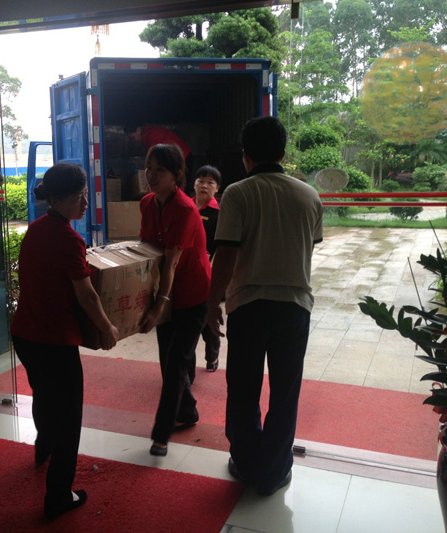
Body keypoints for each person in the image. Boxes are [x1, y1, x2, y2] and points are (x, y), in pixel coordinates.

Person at [207, 116, 323, 496]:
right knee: (285, 392)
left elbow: (226, 255)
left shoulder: (237, 194)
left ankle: (245, 461)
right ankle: (273, 472)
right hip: (294, 307)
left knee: (243, 389)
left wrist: (212, 303)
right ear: (283, 153)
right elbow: (309, 245)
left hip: (248, 307)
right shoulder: (309, 195)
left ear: (245, 156)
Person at [10, 163, 119, 519]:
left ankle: (43, 446)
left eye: (86, 195)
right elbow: (87, 295)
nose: (85, 203)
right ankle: (58, 496)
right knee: (69, 418)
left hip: (25, 335)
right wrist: (107, 328)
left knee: (44, 395)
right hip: (53, 341)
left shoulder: (36, 229)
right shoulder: (70, 239)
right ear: (55, 200)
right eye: (77, 198)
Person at [138, 144, 211, 457]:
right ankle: (188, 411)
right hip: (167, 293)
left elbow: (170, 263)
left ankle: (161, 434)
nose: (151, 175)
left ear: (177, 175)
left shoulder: (185, 209)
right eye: (149, 168)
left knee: (177, 362)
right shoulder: (147, 203)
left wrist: (158, 305)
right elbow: (146, 249)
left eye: (160, 170)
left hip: (193, 294)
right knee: (168, 361)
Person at [192, 165, 222, 373]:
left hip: (207, 274)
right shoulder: (185, 206)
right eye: (201, 181)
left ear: (217, 188)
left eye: (210, 183)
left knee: (207, 319)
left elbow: (221, 249)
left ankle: (212, 355)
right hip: (185, 272)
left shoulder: (218, 214)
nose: (204, 186)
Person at [124, 121, 193, 179]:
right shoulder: (148, 134)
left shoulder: (152, 135)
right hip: (178, 158)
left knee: (180, 187)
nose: (133, 141)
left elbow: (155, 159)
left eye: (133, 137)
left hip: (183, 158)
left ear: (139, 130)